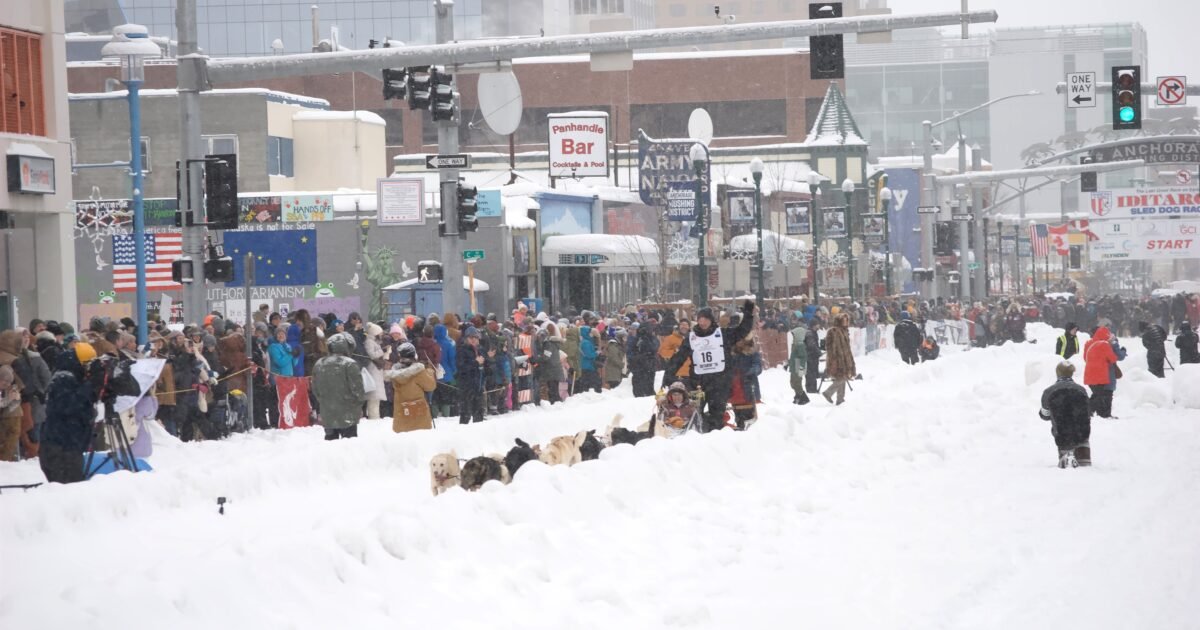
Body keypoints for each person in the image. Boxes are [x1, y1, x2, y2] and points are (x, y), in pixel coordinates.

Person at [666, 300, 756, 433]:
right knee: (695, 414)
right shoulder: (691, 338)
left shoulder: (723, 334)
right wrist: (668, 375)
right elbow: (678, 358)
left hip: (720, 382)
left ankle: (715, 440)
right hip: (698, 382)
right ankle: (697, 438)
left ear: (711, 320)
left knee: (717, 415)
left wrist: (748, 314)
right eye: (700, 319)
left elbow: (742, 331)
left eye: (705, 319)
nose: (702, 322)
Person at [39, 343, 101, 483]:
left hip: (68, 443)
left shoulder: (73, 378)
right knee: (68, 488)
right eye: (87, 365)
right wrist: (90, 385)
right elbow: (69, 406)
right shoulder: (63, 379)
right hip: (61, 446)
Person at [311, 332, 366, 440]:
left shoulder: (319, 364)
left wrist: (324, 402)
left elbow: (315, 389)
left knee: (331, 444)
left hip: (328, 412)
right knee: (349, 443)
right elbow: (358, 389)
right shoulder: (350, 363)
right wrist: (358, 405)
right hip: (348, 412)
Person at [1039, 361, 1093, 468]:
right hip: (1082, 433)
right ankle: (1083, 460)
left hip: (1062, 434)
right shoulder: (1081, 390)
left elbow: (1045, 415)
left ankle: (1066, 460)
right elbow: (1088, 411)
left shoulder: (1049, 391)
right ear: (1071, 373)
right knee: (1085, 468)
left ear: (1057, 373)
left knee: (1067, 469)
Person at [385, 342, 436, 433]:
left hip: (402, 416)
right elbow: (430, 386)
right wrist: (430, 372)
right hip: (419, 416)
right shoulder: (419, 372)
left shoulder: (395, 373)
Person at [1083, 326, 1125, 419]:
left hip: (1089, 374)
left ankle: (1094, 412)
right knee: (1102, 395)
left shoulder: (1089, 343)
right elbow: (1113, 358)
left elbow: (1085, 358)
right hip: (1101, 374)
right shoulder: (1104, 344)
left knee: (1097, 394)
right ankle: (1093, 412)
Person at [822, 313, 856, 406]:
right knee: (841, 378)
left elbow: (846, 347)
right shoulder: (833, 331)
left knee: (843, 377)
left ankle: (840, 399)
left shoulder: (845, 331)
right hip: (837, 359)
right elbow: (828, 345)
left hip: (845, 358)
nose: (845, 322)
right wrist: (834, 357)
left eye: (846, 320)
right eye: (843, 320)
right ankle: (828, 393)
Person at [456, 327, 486, 424]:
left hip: (478, 386)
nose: (473, 340)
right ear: (466, 339)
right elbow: (462, 368)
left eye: (475, 337)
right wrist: (475, 363)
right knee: (466, 414)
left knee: (479, 413)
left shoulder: (480, 350)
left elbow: (486, 367)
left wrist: (487, 365)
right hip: (467, 386)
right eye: (470, 337)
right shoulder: (462, 350)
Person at [657, 320, 691, 389]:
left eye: (686, 325)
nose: (684, 326)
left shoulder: (692, 338)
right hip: (676, 372)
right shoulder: (670, 338)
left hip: (690, 372)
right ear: (678, 326)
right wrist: (675, 352)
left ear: (689, 327)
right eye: (682, 324)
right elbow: (662, 351)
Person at [628, 323, 659, 397]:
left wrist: (647, 338)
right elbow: (630, 351)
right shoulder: (636, 339)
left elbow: (654, 348)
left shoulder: (652, 339)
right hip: (638, 367)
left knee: (649, 389)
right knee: (638, 390)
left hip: (649, 366)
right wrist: (636, 358)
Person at [788, 319, 811, 405]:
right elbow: (793, 356)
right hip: (795, 365)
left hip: (798, 366)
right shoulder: (795, 344)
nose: (793, 337)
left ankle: (803, 397)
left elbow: (803, 357)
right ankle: (798, 395)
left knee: (797, 383)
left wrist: (801, 367)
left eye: (794, 335)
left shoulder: (800, 344)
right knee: (793, 382)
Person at [578, 325, 602, 394]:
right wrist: (596, 353)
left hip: (586, 366)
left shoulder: (585, 341)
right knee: (594, 383)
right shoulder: (586, 342)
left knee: (587, 384)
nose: (591, 334)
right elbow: (589, 355)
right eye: (589, 332)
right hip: (588, 366)